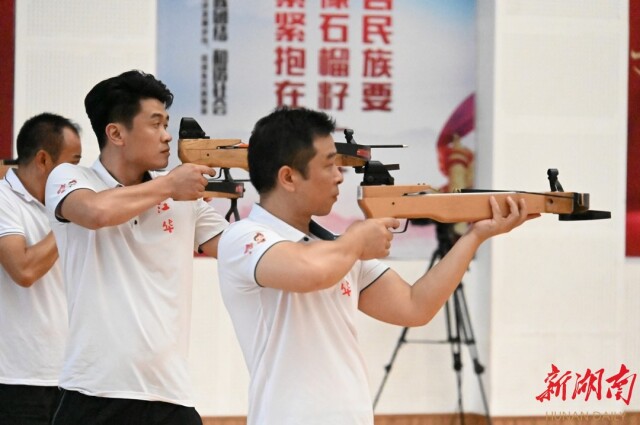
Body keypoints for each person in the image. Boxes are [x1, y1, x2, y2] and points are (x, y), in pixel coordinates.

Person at [217, 106, 537, 425]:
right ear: (288, 177)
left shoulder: (337, 248)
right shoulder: (243, 237)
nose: (340, 175)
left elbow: (415, 306)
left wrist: (475, 235)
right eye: (329, 165)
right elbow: (308, 272)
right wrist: (357, 241)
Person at [44, 70, 228, 425]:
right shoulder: (71, 178)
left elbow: (237, 250)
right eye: (155, 124)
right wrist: (170, 186)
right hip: (93, 392)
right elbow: (95, 212)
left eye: (167, 124)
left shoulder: (180, 193)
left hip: (172, 395)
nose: (166, 136)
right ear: (115, 133)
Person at [0, 113, 82, 424]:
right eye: (73, 161)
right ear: (44, 159)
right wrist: (68, 219)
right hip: (17, 379)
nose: (79, 172)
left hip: (71, 376)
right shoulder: (3, 198)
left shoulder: (62, 203)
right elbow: (23, 270)